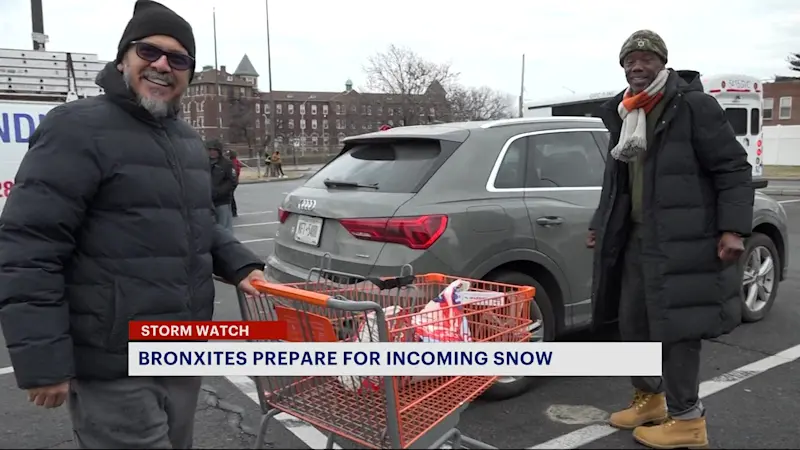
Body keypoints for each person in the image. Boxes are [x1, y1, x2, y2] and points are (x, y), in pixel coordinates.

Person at [0, 1, 267, 448]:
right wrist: (44, 361)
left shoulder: (185, 140)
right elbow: (29, 247)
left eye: (178, 59)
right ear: (123, 58)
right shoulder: (77, 127)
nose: (162, 65)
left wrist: (241, 264)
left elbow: (195, 220)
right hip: (112, 359)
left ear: (188, 74)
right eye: (149, 51)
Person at [587, 30, 753, 449]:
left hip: (684, 238)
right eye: (630, 59)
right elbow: (617, 181)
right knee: (633, 323)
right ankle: (650, 399)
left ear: (663, 62)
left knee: (679, 330)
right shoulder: (624, 112)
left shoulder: (692, 106)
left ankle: (688, 420)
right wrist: (600, 223)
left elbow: (732, 168)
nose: (637, 66)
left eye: (646, 59)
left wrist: (733, 228)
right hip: (635, 239)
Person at [207, 139, 236, 229]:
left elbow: (232, 181)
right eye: (209, 150)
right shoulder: (203, 163)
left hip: (222, 201)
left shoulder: (226, 164)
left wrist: (218, 192)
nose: (212, 152)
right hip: (207, 202)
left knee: (224, 227)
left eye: (214, 150)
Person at [228, 149, 242, 217]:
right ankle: (233, 211)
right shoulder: (235, 161)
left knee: (230, 196)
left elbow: (234, 172)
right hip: (235, 180)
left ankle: (233, 211)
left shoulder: (232, 162)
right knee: (231, 195)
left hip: (233, 181)